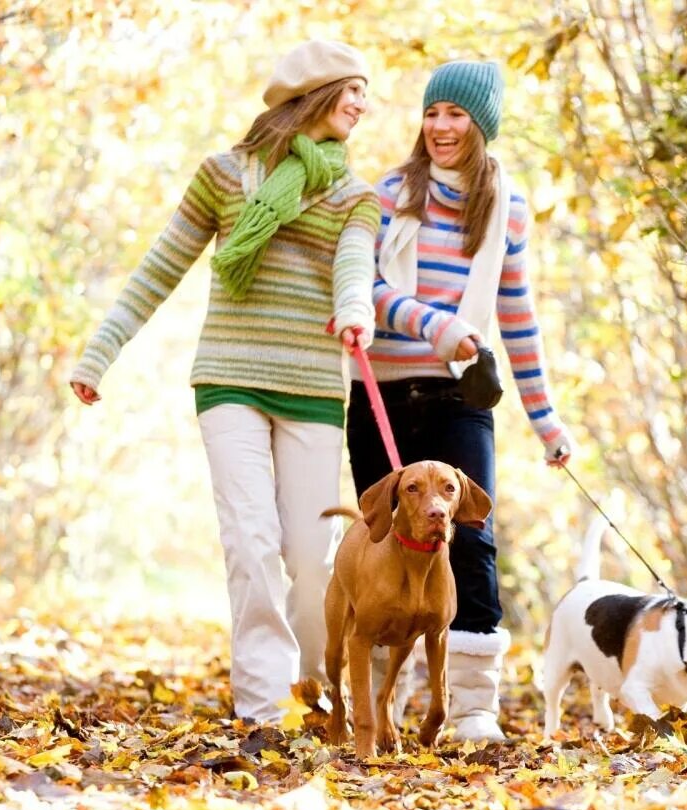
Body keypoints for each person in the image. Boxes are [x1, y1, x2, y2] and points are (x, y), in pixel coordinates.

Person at [70, 41, 379, 724]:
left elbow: (355, 266)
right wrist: (99, 354)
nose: (363, 103)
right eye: (351, 89)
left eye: (365, 92)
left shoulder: (356, 195)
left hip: (312, 391)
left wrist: (356, 309)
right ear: (312, 92)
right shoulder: (223, 176)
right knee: (251, 539)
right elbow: (160, 268)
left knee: (312, 558)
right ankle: (263, 706)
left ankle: (310, 682)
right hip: (230, 380)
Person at [348, 60, 575, 742]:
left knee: (471, 538)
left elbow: (515, 312)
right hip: (382, 389)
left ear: (483, 124)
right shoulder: (389, 193)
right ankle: (387, 702)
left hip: (460, 394)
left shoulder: (507, 207)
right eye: (432, 113)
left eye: (456, 115)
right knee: (385, 546)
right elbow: (368, 291)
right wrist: (437, 324)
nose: (441, 127)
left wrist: (545, 417)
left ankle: (474, 706)